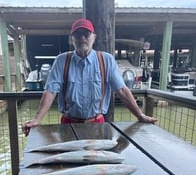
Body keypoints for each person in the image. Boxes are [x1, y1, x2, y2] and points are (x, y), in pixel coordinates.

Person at [22, 18, 157, 136]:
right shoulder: (62, 61)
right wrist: (37, 120)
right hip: (68, 124)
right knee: (70, 164)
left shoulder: (107, 60)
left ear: (94, 37)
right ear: (71, 39)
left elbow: (122, 91)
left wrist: (140, 115)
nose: (82, 38)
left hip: (97, 124)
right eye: (77, 34)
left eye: (86, 34)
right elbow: (50, 91)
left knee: (97, 164)